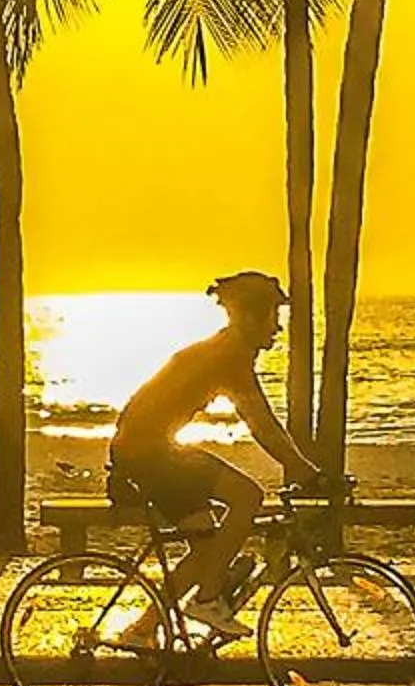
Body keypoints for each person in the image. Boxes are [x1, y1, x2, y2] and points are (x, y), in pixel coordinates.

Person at [104, 271, 326, 647]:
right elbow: (262, 426)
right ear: (251, 318)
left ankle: (141, 630)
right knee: (247, 496)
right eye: (274, 317)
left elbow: (263, 424)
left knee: (206, 550)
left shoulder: (224, 350)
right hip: (150, 453)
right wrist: (308, 473)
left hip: (145, 450)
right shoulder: (229, 355)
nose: (278, 328)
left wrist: (303, 469)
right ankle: (208, 600)